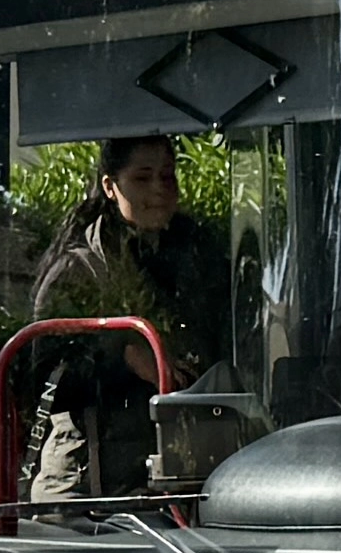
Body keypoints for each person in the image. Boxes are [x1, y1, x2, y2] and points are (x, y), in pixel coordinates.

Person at [23, 138, 234, 507]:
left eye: (168, 177)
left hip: (171, 478)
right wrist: (124, 357)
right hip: (84, 491)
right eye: (142, 177)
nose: (159, 189)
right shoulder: (79, 269)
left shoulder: (198, 261)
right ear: (109, 186)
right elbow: (41, 380)